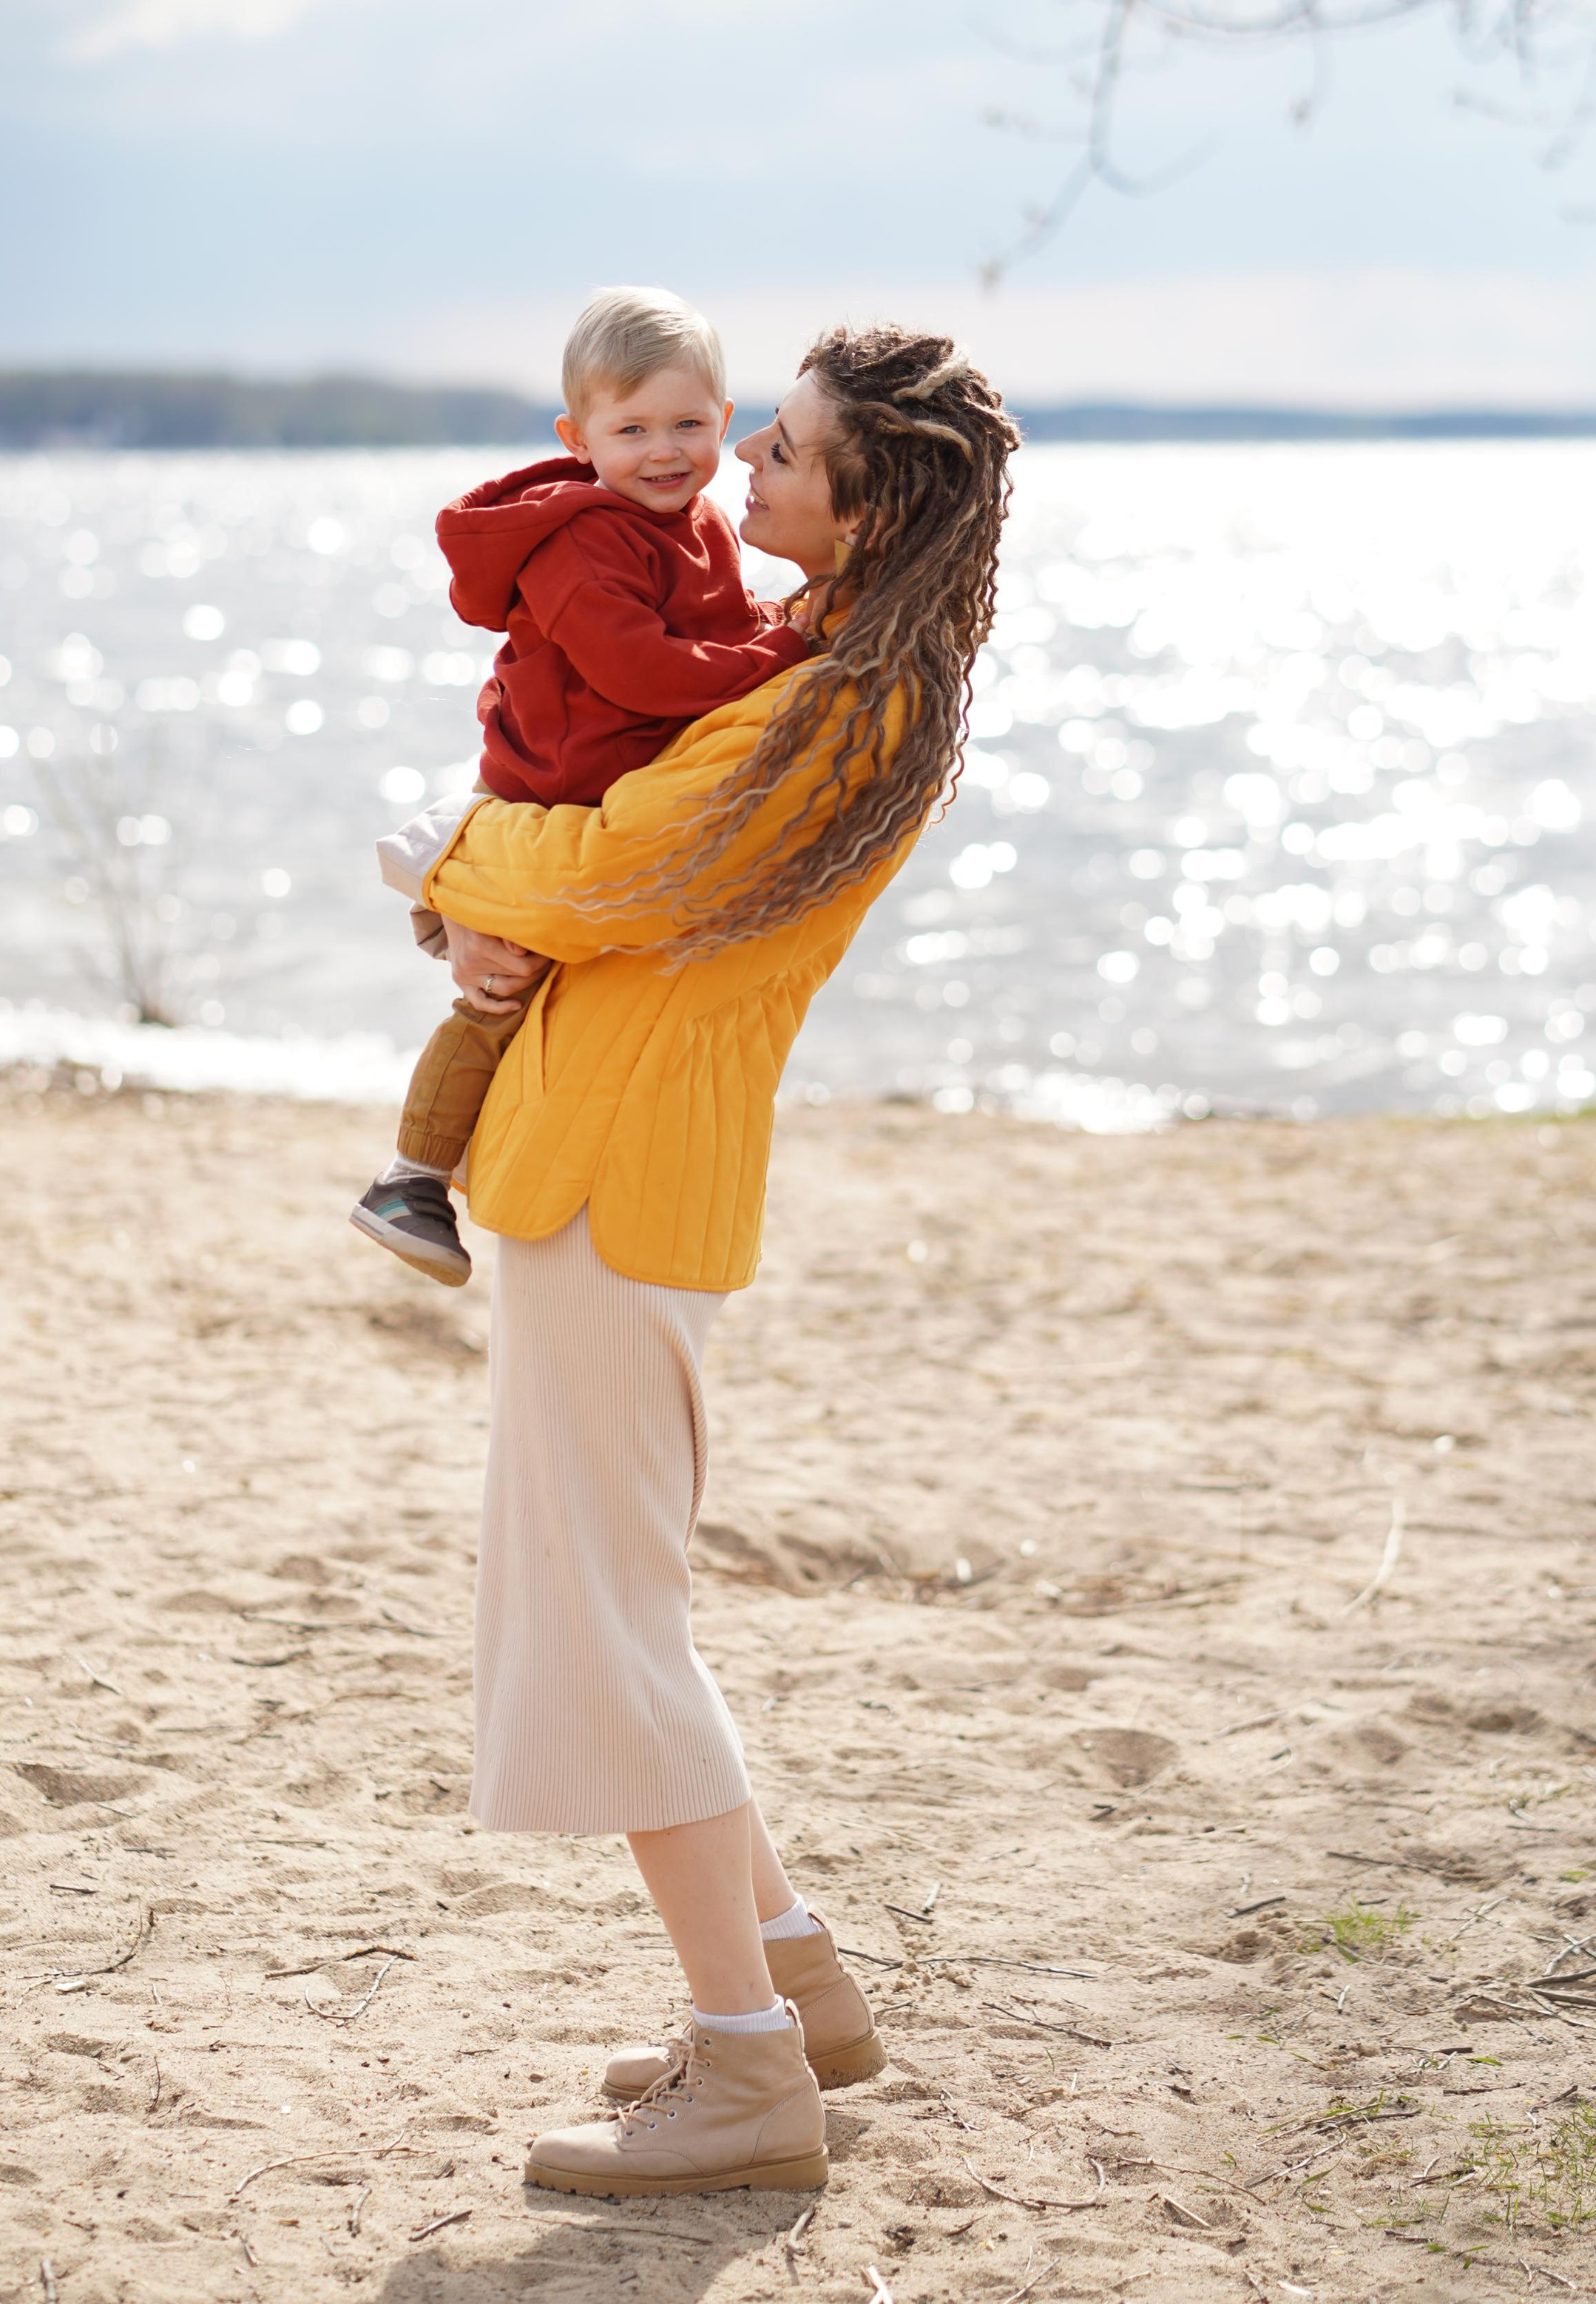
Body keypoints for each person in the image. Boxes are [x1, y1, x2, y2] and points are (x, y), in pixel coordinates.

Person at [401, 325, 1018, 2199]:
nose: (745, 454)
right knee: (622, 1605)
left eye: (792, 449)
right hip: (606, 1161)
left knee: (601, 1622)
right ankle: (800, 1999)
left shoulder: (847, 701)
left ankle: (746, 2075)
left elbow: (608, 875)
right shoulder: (828, 664)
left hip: (623, 1180)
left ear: (870, 505)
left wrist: (438, 869)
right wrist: (487, 913)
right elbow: (605, 873)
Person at [351, 286, 809, 1286]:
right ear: (579, 436)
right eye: (632, 427)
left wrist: (772, 633)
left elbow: (719, 631)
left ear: (725, 424)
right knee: (499, 994)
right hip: (546, 791)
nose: (663, 450)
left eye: (688, 424)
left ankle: (468, 1154)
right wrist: (779, 657)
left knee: (533, 1002)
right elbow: (643, 669)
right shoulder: (582, 541)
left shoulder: (703, 528)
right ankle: (408, 1175)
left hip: (596, 787)